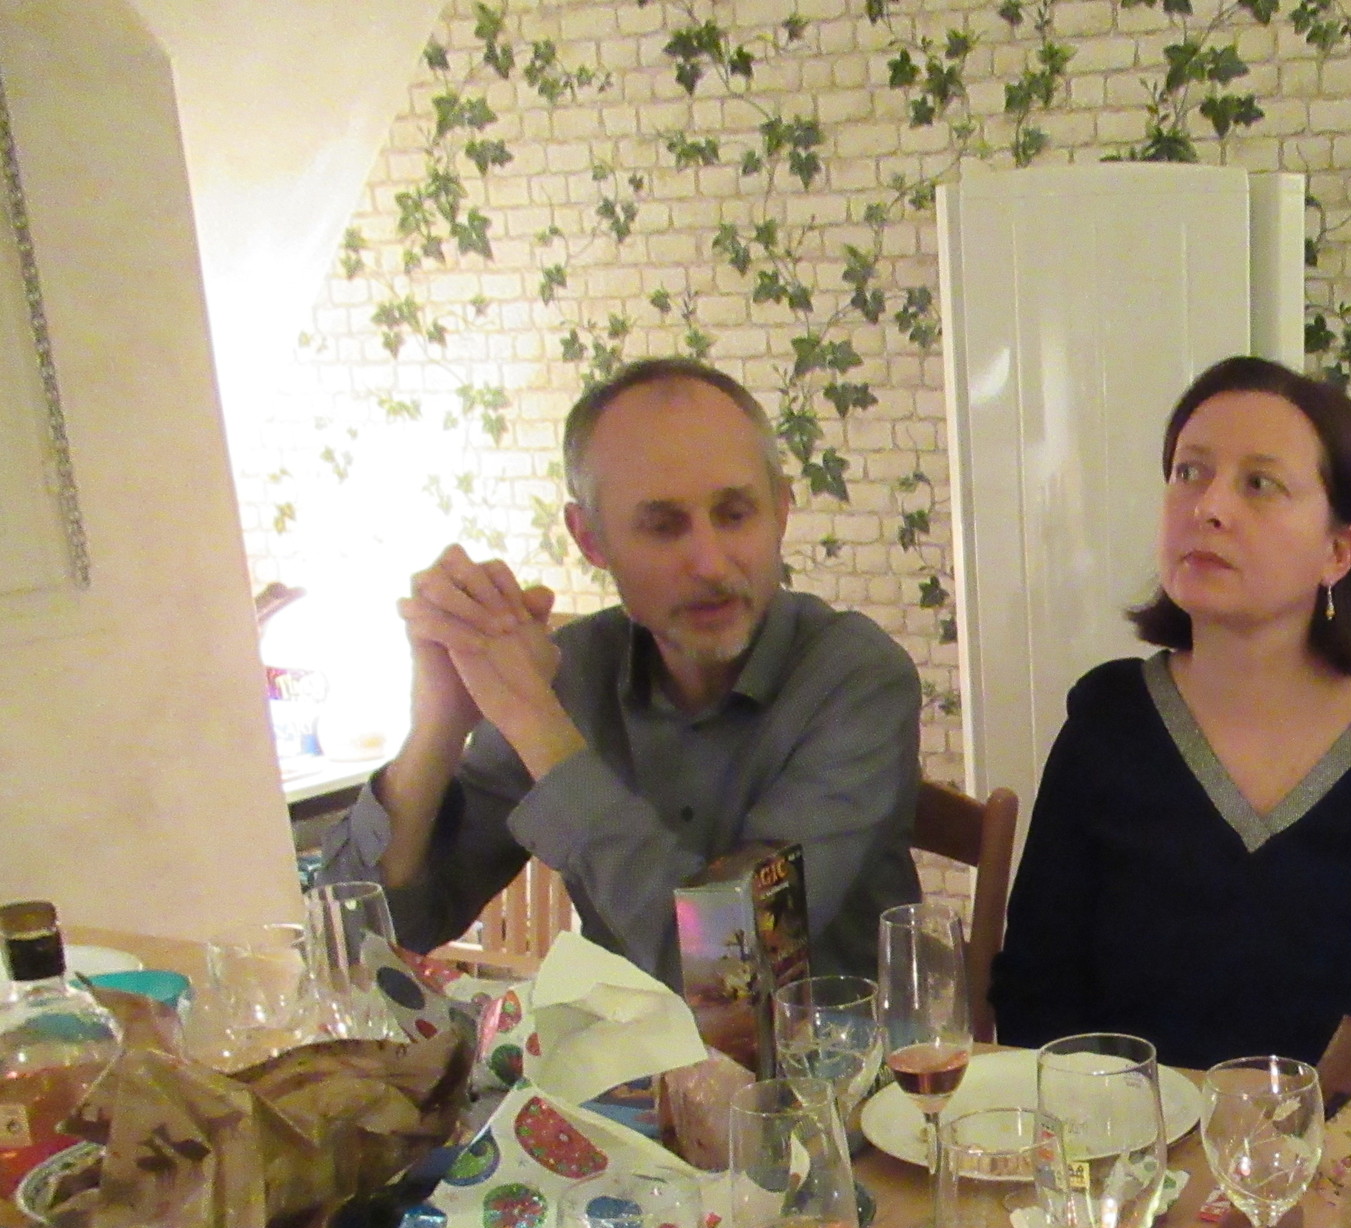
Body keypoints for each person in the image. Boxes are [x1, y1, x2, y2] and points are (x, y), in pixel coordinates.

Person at [987, 355, 1351, 1086]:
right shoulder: (1108, 720)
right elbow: (1036, 997)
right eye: (1189, 472)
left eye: (1260, 483)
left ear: (1339, 551)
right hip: (1131, 1145)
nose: (1208, 507)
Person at [320, 358, 921, 985]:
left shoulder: (858, 677)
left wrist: (535, 722)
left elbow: (729, 967)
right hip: (620, 1049)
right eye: (663, 527)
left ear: (781, 510)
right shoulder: (571, 673)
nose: (711, 563)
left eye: (735, 514)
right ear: (590, 539)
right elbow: (355, 944)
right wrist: (439, 724)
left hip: (835, 1047)